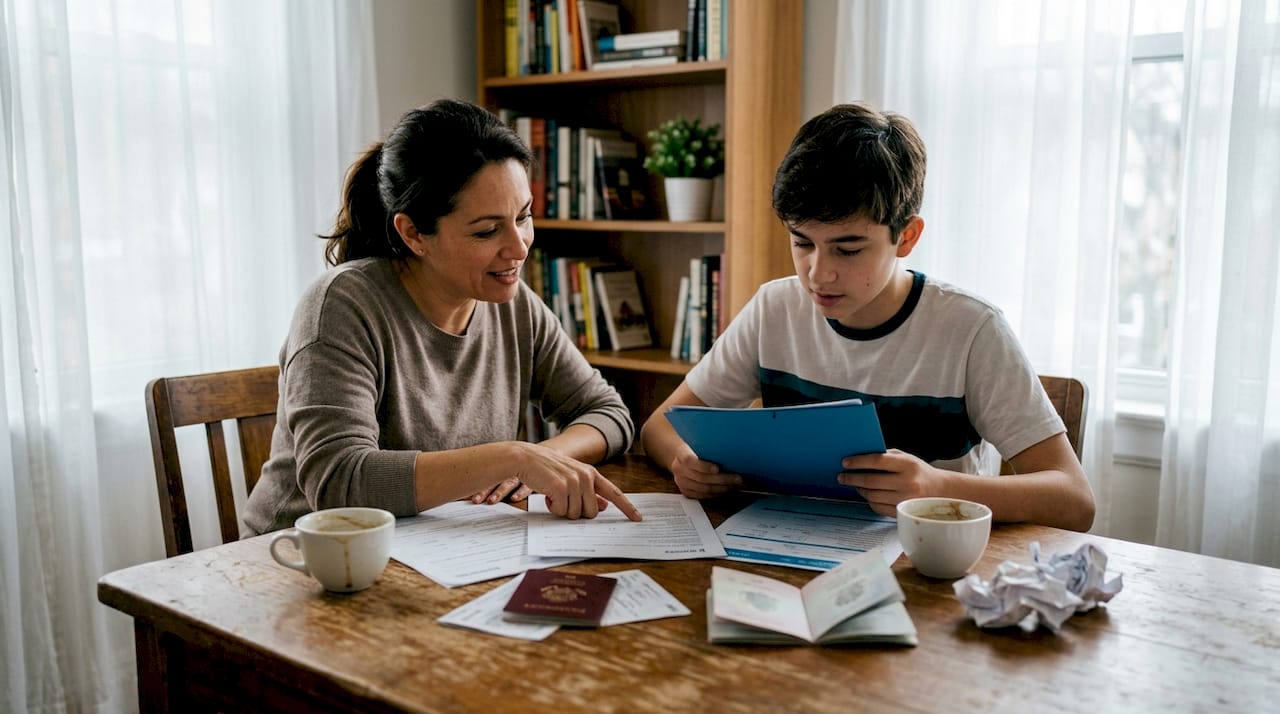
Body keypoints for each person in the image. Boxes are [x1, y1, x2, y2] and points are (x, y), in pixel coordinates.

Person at [639, 103, 1095, 532]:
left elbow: (1074, 499)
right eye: (802, 243)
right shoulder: (774, 308)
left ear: (907, 237)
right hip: (787, 548)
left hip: (923, 575)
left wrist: (938, 488)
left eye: (848, 248)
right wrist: (684, 459)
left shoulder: (972, 330)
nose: (818, 273)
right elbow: (660, 427)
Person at [243, 99, 641, 536]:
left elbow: (608, 413)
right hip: (298, 562)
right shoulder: (342, 304)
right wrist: (514, 456)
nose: (519, 246)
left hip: (434, 548)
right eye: (487, 231)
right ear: (413, 233)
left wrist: (542, 459)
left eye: (523, 216)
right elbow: (340, 481)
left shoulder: (512, 305)